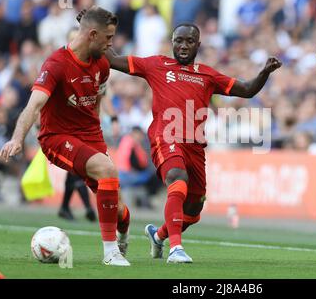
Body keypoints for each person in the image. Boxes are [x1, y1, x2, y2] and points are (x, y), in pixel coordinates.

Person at [105, 22, 282, 263]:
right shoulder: (156, 64)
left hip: (195, 146)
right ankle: (176, 249)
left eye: (189, 41)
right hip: (165, 136)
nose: (183, 45)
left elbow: (247, 90)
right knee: (177, 178)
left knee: (193, 210)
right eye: (179, 40)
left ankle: (158, 236)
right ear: (172, 42)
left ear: (198, 44)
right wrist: (90, 30)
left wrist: (264, 72)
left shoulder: (208, 75)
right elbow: (113, 59)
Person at [0, 6, 131, 266]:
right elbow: (33, 105)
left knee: (120, 210)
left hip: (91, 137)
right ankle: (110, 252)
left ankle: (122, 233)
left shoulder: (102, 64)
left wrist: (100, 130)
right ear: (92, 34)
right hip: (57, 137)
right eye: (108, 38)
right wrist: (17, 138)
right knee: (106, 168)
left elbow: (96, 100)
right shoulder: (56, 64)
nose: (111, 44)